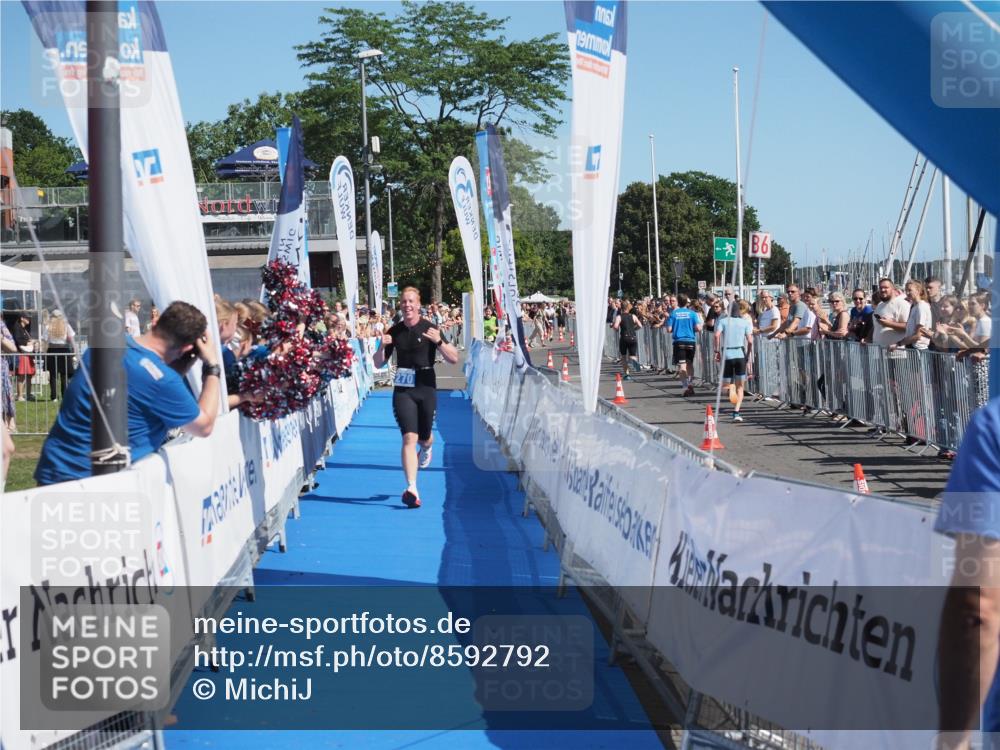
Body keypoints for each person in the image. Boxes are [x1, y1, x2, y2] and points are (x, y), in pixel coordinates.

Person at [34, 301, 222, 486]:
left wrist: (180, 364)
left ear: (156, 323)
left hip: (55, 469)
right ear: (188, 348)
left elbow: (140, 386)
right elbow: (203, 427)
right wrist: (212, 366)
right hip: (96, 483)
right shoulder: (162, 381)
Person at [373, 286, 459, 508]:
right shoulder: (394, 331)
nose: (407, 305)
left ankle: (428, 447)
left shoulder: (431, 328)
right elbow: (377, 362)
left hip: (426, 385)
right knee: (408, 438)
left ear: (419, 305)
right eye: (404, 302)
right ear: (400, 305)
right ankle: (412, 487)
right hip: (403, 389)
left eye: (411, 301)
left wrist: (439, 342)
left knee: (424, 437)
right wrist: (382, 346)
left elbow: (454, 359)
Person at [715, 300, 753, 421]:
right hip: (740, 354)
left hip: (727, 355)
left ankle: (731, 388)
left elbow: (716, 335)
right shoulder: (744, 322)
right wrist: (747, 353)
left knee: (726, 384)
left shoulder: (723, 321)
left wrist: (717, 351)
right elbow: (750, 341)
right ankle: (736, 412)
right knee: (740, 387)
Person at [667, 293, 701, 397]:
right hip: (690, 341)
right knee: (689, 364)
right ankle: (690, 383)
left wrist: (676, 328)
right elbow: (699, 328)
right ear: (687, 302)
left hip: (679, 341)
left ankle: (685, 386)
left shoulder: (673, 314)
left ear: (678, 302)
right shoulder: (692, 313)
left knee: (682, 366)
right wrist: (690, 328)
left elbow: (669, 329)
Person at [41, 309, 75, 400]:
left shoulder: (48, 326)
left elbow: (44, 341)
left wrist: (44, 352)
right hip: (64, 350)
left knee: (53, 375)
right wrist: (73, 352)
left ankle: (54, 397)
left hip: (52, 350)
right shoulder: (66, 326)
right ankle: (64, 396)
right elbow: (71, 339)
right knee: (64, 375)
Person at [889, 280, 932, 351]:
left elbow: (918, 335)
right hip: (912, 348)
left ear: (918, 291)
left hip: (919, 349)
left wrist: (898, 344)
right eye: (906, 290)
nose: (907, 293)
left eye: (910, 290)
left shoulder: (921, 306)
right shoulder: (914, 306)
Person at [870, 278, 910, 348]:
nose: (882, 290)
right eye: (881, 288)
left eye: (886, 287)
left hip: (896, 353)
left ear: (893, 289)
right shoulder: (880, 305)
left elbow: (909, 327)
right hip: (878, 352)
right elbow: (876, 327)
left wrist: (889, 324)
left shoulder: (902, 304)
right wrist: (867, 338)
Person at [613, 300, 642, 380]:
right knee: (632, 355)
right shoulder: (633, 316)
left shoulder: (619, 317)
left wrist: (615, 327)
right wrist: (634, 329)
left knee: (623, 357)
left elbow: (615, 326)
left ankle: (627, 374)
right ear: (628, 308)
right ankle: (634, 361)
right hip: (633, 337)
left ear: (621, 308)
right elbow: (640, 325)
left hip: (624, 338)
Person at [12, 313, 36, 401]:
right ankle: (20, 396)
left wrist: (31, 342)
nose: (29, 319)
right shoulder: (17, 327)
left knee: (29, 375)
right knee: (21, 375)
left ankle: (28, 394)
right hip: (22, 354)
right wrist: (28, 342)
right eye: (27, 318)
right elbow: (18, 340)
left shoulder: (25, 329)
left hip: (28, 354)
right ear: (22, 318)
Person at [1, 318, 16, 431]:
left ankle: (8, 422)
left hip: (1, 368)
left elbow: (13, 348)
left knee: (5, 396)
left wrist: (1, 338)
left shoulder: (1, 326)